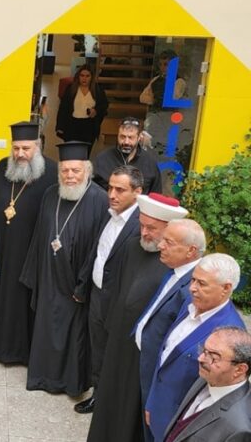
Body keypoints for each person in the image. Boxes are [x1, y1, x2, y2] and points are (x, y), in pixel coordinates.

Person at [86, 192, 188, 442]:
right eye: (142, 225)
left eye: (152, 228)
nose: (144, 233)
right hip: (118, 337)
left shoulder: (173, 261)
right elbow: (118, 289)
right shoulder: (133, 246)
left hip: (144, 350)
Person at [19, 141, 108, 396]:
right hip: (49, 276)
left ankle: (69, 383)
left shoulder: (100, 200)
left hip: (75, 280)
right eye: (65, 170)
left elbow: (99, 247)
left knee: (73, 334)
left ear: (87, 171)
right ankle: (41, 377)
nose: (70, 176)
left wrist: (83, 284)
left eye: (75, 171)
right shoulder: (51, 194)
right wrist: (34, 274)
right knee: (46, 327)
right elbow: (39, 235)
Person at [144, 254, 246, 442]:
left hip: (180, 428)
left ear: (226, 288)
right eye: (193, 280)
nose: (192, 288)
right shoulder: (191, 304)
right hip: (157, 411)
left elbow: (217, 395)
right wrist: (152, 403)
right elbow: (165, 358)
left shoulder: (229, 334)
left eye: (202, 283)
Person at [0, 122, 57, 365]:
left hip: (30, 252)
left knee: (23, 302)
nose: (20, 154)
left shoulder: (52, 173)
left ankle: (20, 353)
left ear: (37, 147)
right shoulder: (2, 168)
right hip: (1, 250)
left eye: (26, 148)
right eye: (16, 148)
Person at [75, 165, 143, 414]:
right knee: (98, 349)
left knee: (116, 353)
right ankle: (98, 395)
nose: (112, 194)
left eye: (120, 190)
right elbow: (97, 253)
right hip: (97, 295)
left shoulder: (141, 224)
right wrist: (83, 285)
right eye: (110, 188)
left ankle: (112, 403)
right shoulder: (109, 214)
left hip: (120, 302)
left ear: (137, 192)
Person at [135, 218, 205, 438]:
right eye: (163, 239)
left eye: (169, 242)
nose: (161, 245)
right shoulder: (174, 270)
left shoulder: (192, 288)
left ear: (190, 251)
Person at [163, 326, 251, 442]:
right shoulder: (208, 376)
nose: (200, 359)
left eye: (213, 357)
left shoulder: (239, 428)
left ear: (239, 369)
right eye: (203, 350)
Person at [92, 117, 162, 194]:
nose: (126, 142)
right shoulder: (102, 159)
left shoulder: (150, 163)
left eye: (130, 137)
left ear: (139, 137)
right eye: (122, 137)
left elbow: (156, 195)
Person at [55, 65, 109, 147]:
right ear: (78, 76)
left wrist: (96, 111)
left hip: (89, 127)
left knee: (85, 152)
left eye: (87, 76)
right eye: (82, 75)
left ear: (91, 77)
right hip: (72, 125)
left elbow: (104, 105)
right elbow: (63, 108)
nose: (84, 78)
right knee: (71, 150)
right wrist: (60, 126)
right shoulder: (71, 89)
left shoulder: (98, 90)